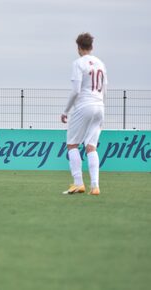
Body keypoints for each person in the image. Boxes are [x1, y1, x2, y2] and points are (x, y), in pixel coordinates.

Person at [61, 33, 108, 196]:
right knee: (91, 147)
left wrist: (65, 110)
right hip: (100, 106)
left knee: (72, 144)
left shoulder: (78, 63)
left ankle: (78, 183)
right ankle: (95, 186)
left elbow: (75, 91)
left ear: (79, 48)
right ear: (92, 47)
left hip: (84, 105)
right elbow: (105, 88)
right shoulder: (101, 63)